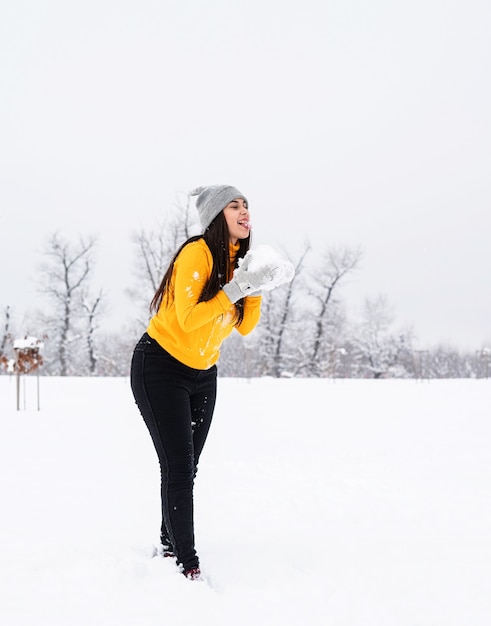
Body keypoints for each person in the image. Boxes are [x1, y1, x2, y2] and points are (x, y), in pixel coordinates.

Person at [130, 184, 292, 581]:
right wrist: (237, 286)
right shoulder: (196, 253)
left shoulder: (239, 259)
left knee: (186, 467)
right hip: (160, 367)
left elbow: (246, 326)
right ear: (217, 216)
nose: (244, 211)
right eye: (234, 205)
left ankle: (170, 546)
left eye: (247, 205)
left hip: (203, 375)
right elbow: (188, 318)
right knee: (179, 467)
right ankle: (186, 563)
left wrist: (254, 287)